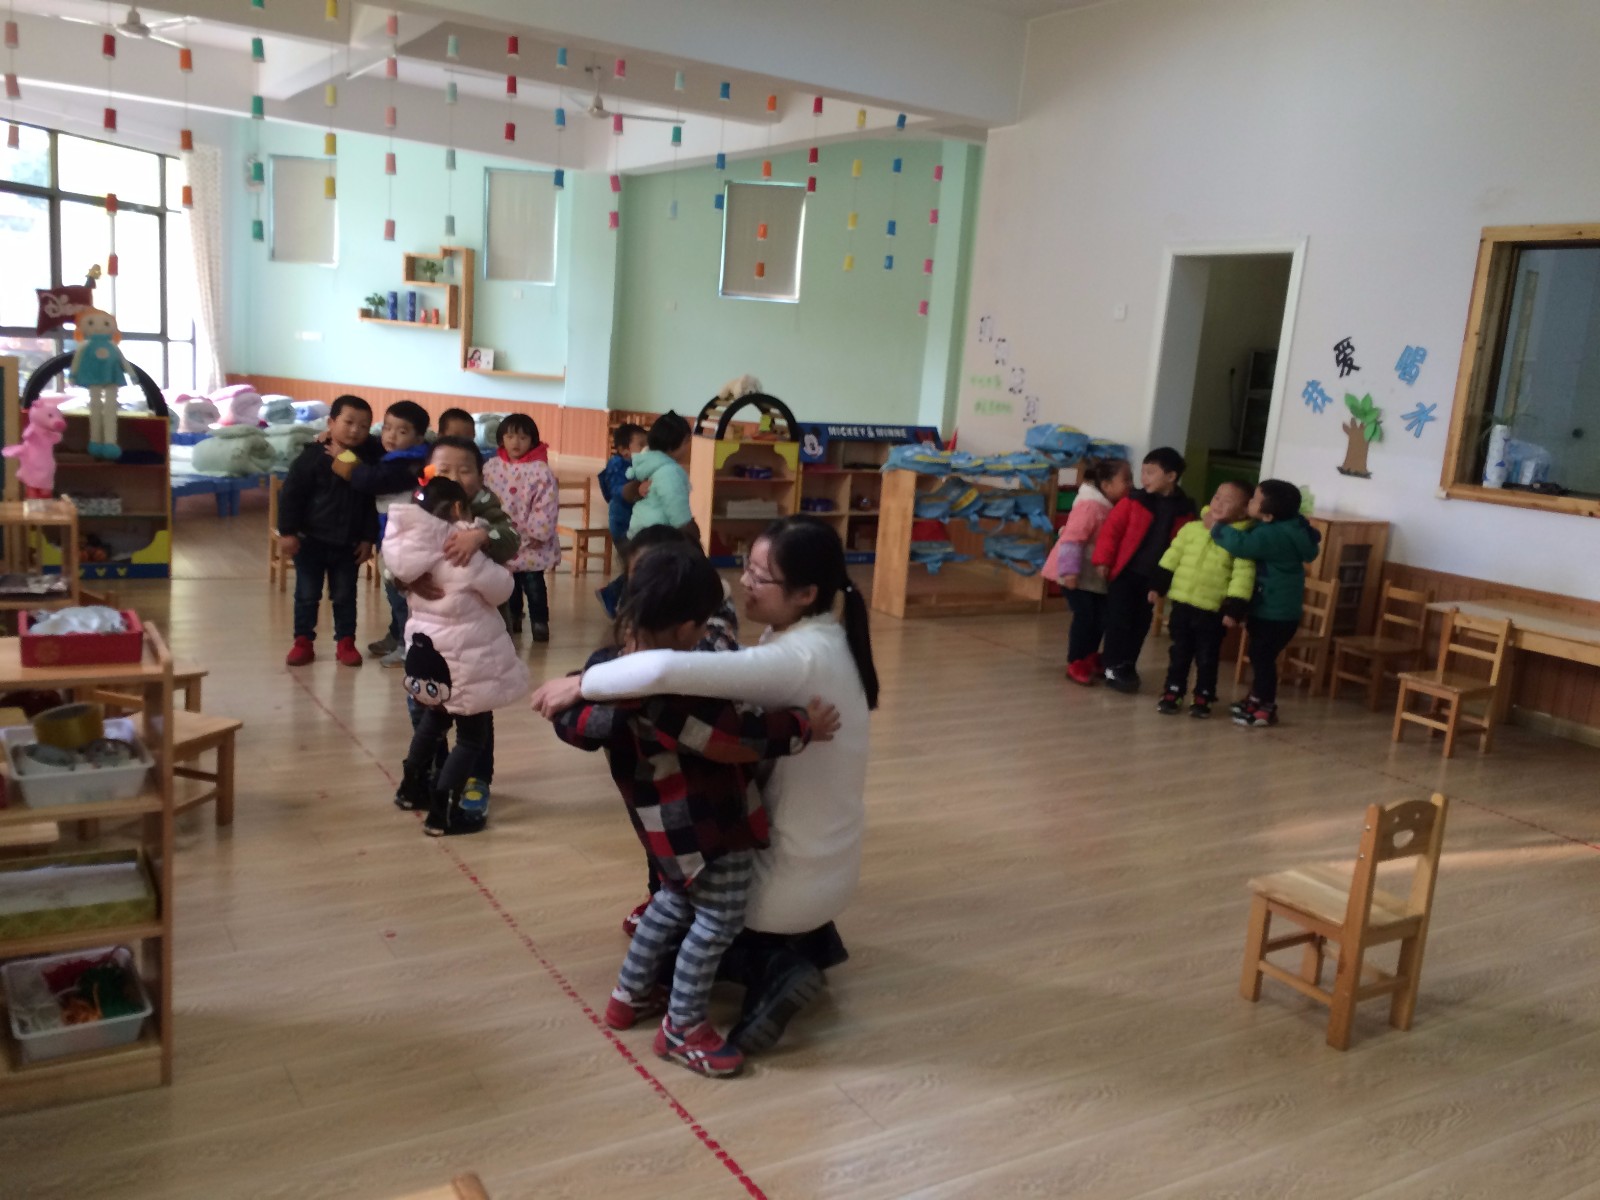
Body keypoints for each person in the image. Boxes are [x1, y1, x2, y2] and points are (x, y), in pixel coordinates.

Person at [533, 515, 878, 1054]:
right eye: (746, 567)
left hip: (723, 851)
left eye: (759, 575)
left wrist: (583, 683)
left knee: (697, 915)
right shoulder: (808, 638)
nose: (743, 583)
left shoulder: (792, 656)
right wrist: (801, 728)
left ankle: (705, 1001)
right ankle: (758, 968)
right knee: (692, 910)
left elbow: (672, 683)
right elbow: (725, 714)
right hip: (773, 852)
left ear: (806, 593)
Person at [609, 524, 743, 938]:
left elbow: (705, 680)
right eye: (636, 577)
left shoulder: (707, 619)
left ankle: (676, 914)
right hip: (652, 767)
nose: (644, 588)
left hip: (696, 769)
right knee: (661, 844)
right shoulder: (643, 608)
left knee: (692, 854)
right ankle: (664, 899)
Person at [386, 477, 527, 836]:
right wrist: (498, 565)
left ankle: (410, 788)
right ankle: (442, 812)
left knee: (433, 721)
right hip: (464, 661)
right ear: (459, 509)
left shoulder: (408, 549)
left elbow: (395, 580)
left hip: (426, 655)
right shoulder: (460, 549)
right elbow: (501, 590)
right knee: (470, 737)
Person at [318, 400, 431, 667]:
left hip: (405, 543)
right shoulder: (398, 453)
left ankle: (408, 647)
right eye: (387, 427)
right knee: (394, 592)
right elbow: (373, 446)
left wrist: (342, 456)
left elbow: (370, 479)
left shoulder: (409, 464)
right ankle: (397, 634)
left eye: (401, 431)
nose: (390, 436)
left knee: (401, 595)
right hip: (391, 537)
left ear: (418, 438)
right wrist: (333, 436)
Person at [1209, 479, 1322, 728]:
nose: (1249, 502)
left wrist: (1217, 528)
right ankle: (1255, 698)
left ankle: (1266, 707)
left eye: (1254, 500)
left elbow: (1241, 544)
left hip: (1273, 612)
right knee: (1261, 656)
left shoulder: (1272, 535)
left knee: (1262, 658)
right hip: (1282, 612)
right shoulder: (1292, 527)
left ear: (1268, 516)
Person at [278, 394, 379, 667]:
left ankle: (346, 642)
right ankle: (303, 642)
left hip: (348, 545)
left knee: (345, 595)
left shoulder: (368, 463)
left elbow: (370, 503)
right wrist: (287, 532)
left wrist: (368, 538)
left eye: (364, 426)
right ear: (331, 423)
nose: (355, 430)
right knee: (307, 595)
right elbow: (290, 496)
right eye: (348, 422)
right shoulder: (311, 457)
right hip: (309, 541)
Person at [1091, 447, 1197, 693]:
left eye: (1150, 472)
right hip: (1125, 573)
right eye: (1143, 472)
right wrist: (1103, 560)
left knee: (1140, 623)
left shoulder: (1185, 509)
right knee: (1118, 620)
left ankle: (1127, 664)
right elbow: (1111, 531)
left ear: (1171, 476)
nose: (1144, 478)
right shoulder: (1134, 500)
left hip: (1153, 579)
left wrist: (1168, 579)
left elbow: (1184, 547)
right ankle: (1112, 664)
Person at [1148, 480, 1255, 718]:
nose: (1218, 503)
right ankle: (1173, 691)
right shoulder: (1192, 529)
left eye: (1227, 501)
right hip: (1182, 603)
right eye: (1217, 497)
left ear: (1243, 511)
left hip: (1213, 610)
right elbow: (1172, 556)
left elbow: (1243, 576)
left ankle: (1204, 695)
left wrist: (1235, 609)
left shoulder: (1240, 541)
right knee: (1179, 652)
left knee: (1207, 656)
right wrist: (1157, 585)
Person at [1043, 457, 1131, 686]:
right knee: (1085, 617)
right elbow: (1072, 539)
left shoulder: (1110, 506)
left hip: (1093, 577)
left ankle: (1090, 657)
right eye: (1126, 479)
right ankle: (1076, 661)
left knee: (1100, 618)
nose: (1131, 484)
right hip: (1075, 573)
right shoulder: (1090, 506)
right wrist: (1070, 573)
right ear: (1107, 485)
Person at [483, 413, 560, 644]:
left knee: (534, 583)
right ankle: (513, 618)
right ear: (501, 439)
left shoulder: (540, 470)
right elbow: (484, 498)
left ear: (532, 441)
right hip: (504, 536)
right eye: (510, 437)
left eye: (523, 438)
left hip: (531, 539)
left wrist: (539, 532)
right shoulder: (492, 467)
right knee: (510, 582)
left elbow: (546, 503)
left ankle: (539, 622)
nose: (516, 442)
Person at [596, 422, 648, 617]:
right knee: (636, 566)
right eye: (641, 445)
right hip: (622, 525)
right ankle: (617, 600)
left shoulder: (639, 464)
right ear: (624, 450)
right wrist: (636, 487)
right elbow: (618, 491)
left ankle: (615, 597)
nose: (646, 449)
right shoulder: (617, 465)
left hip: (635, 525)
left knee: (637, 565)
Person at [626, 411, 696, 541]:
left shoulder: (649, 463)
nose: (689, 447)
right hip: (657, 539)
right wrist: (693, 537)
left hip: (641, 533)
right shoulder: (670, 472)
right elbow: (678, 514)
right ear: (672, 444)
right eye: (686, 441)